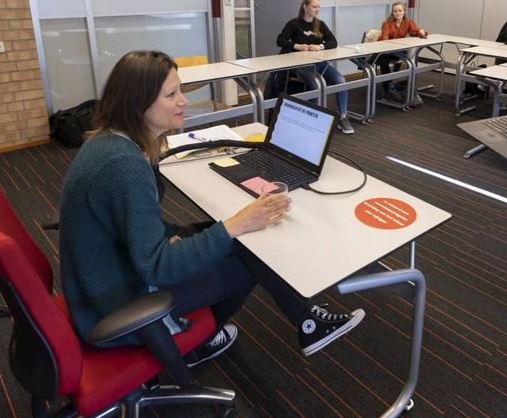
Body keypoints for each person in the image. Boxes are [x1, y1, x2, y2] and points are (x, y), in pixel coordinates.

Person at [59, 50, 365, 367]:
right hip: (116, 303)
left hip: (103, 278)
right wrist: (234, 225)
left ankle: (306, 322)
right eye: (171, 94)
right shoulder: (125, 165)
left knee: (235, 240)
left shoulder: (109, 142)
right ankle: (193, 345)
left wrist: (193, 234)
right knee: (245, 261)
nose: (184, 101)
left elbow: (135, 224)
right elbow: (157, 268)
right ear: (139, 103)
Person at [276, 0, 355, 134]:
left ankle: (343, 116)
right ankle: (313, 120)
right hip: (300, 65)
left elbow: (333, 42)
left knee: (341, 81)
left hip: (319, 64)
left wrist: (321, 47)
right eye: (314, 6)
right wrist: (296, 46)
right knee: (316, 84)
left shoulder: (320, 24)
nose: (317, 9)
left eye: (318, 7)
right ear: (305, 7)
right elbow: (280, 40)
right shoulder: (294, 24)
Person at [377, 1, 427, 106]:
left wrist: (421, 32)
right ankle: (388, 87)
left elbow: (415, 31)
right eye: (395, 11)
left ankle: (405, 84)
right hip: (385, 49)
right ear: (392, 13)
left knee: (410, 56)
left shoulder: (407, 22)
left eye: (400, 11)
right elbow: (384, 39)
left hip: (397, 50)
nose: (397, 13)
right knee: (383, 59)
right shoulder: (387, 23)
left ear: (404, 12)